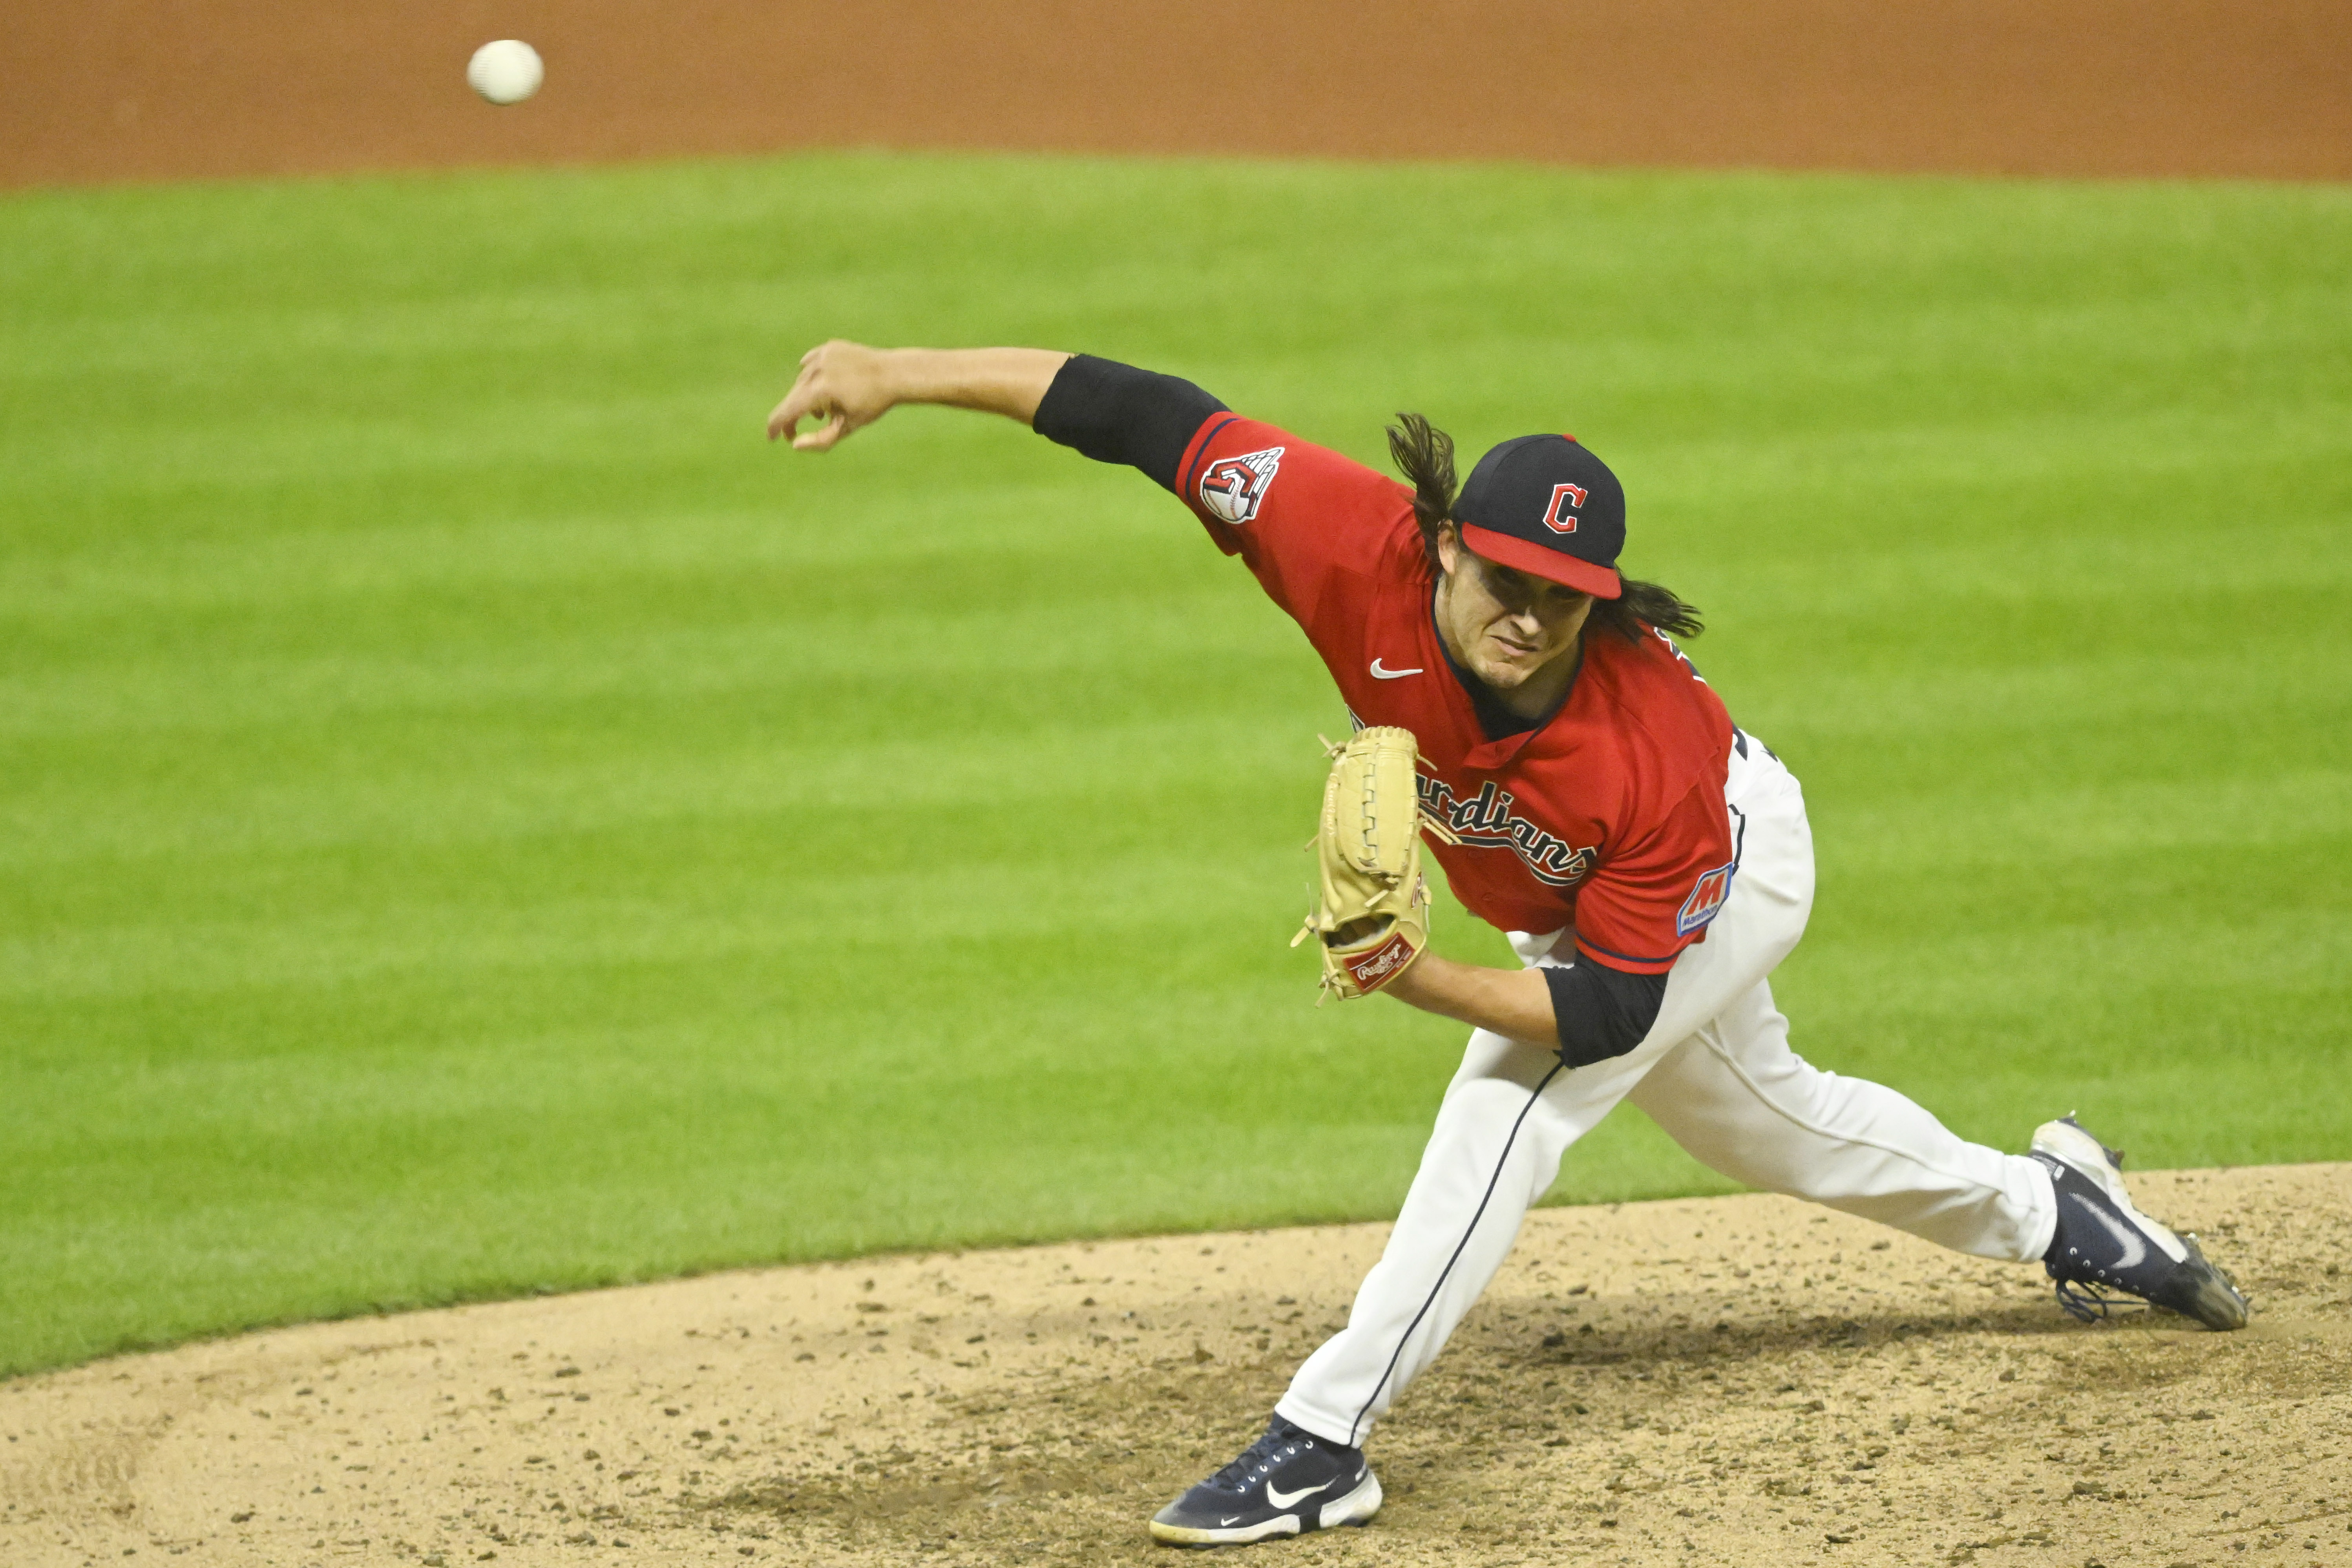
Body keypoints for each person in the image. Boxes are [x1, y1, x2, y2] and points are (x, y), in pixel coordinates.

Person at [765, 343, 2250, 1548]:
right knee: (1773, 1125)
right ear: (1447, 549)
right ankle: (2059, 1210)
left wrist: (1415, 976)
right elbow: (1143, 415)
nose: (1529, 617)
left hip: (1724, 871)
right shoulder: (1346, 541)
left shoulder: (1643, 753)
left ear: (1599, 597)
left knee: (1507, 1108)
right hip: (1590, 914)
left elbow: (1600, 1012)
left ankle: (1321, 1438)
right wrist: (900, 369)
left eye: (1565, 597)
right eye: (1503, 581)